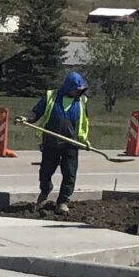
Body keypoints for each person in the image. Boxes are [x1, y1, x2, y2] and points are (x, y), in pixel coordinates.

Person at [28, 71, 91, 214]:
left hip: (71, 144)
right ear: (69, 87)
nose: (78, 93)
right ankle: (45, 191)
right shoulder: (51, 97)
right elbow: (36, 112)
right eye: (76, 90)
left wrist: (84, 140)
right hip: (51, 142)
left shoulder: (82, 101)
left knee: (69, 174)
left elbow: (84, 123)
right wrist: (27, 119)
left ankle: (63, 202)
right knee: (45, 172)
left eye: (80, 90)